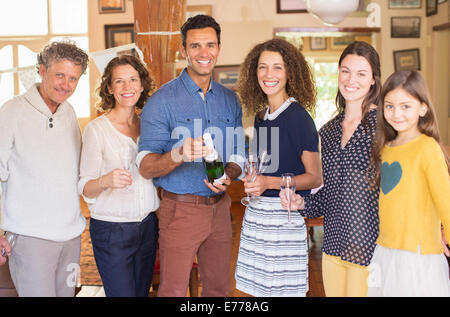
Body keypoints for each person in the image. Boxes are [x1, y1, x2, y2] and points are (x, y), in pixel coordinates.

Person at [137, 14, 245, 297]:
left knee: (220, 290)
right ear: (184, 50)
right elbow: (146, 167)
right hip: (179, 211)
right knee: (172, 291)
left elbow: (238, 153)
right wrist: (179, 153)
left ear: (219, 48)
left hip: (221, 209)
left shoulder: (229, 99)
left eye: (210, 45)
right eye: (195, 46)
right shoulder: (161, 102)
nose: (204, 53)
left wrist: (229, 174)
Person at [280, 41, 382, 297]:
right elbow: (327, 194)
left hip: (371, 247)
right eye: (345, 71)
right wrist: (299, 204)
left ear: (373, 80)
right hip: (333, 247)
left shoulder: (385, 128)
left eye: (361, 73)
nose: (351, 80)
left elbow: (405, 187)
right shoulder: (327, 131)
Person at [234, 38, 322, 297]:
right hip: (257, 216)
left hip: (283, 218)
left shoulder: (299, 118)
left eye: (277, 67)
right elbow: (265, 168)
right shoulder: (262, 117)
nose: (268, 74)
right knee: (259, 292)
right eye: (262, 67)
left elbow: (314, 177)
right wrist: (251, 180)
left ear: (289, 73)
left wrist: (268, 183)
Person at [0, 41, 88, 296]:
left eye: (73, 78)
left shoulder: (69, 112)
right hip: (30, 237)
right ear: (41, 70)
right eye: (60, 75)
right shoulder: (12, 111)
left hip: (71, 236)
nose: (66, 85)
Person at [78, 55, 159, 297]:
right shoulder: (96, 130)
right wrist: (105, 181)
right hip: (112, 230)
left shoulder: (150, 125)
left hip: (148, 226)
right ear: (110, 88)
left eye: (133, 79)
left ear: (142, 85)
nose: (127, 87)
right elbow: (84, 187)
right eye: (120, 81)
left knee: (141, 293)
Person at [366, 70, 450, 296]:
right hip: (384, 250)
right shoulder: (387, 148)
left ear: (423, 108)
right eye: (390, 106)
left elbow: (446, 202)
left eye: (406, 106)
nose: (396, 113)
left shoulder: (427, 148)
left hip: (417, 256)